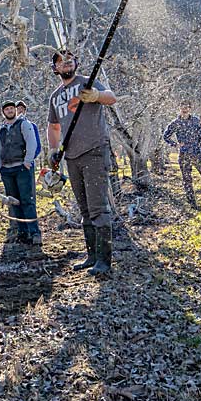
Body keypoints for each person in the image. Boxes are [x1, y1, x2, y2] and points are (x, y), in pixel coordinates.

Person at [46, 50, 118, 276]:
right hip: (71, 156)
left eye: (69, 59)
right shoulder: (55, 96)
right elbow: (53, 126)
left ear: (75, 63)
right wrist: (53, 149)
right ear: (55, 68)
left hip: (94, 150)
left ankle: (104, 261)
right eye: (60, 61)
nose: (65, 63)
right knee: (85, 208)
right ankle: (92, 256)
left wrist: (96, 95)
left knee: (98, 207)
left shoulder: (86, 82)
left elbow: (111, 97)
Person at [163, 101, 201, 209]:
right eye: (182, 107)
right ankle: (192, 204)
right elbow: (166, 136)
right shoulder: (176, 123)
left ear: (190, 108)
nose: (185, 109)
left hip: (196, 154)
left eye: (187, 107)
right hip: (184, 154)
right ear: (179, 108)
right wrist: (175, 144)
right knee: (187, 180)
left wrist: (200, 150)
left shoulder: (195, 121)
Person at [0, 99, 42, 246]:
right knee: (14, 202)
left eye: (11, 108)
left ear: (15, 110)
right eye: (6, 109)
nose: (9, 111)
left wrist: (28, 162)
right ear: (3, 112)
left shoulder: (24, 124)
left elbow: (32, 143)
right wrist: (0, 166)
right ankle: (23, 233)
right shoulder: (1, 129)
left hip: (22, 168)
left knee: (27, 201)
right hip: (7, 170)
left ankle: (34, 233)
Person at [15, 99, 43, 165]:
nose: (20, 110)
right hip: (15, 163)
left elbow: (38, 146)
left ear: (25, 111)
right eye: (18, 108)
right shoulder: (10, 127)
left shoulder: (32, 126)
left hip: (29, 163)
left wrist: (29, 158)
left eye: (22, 108)